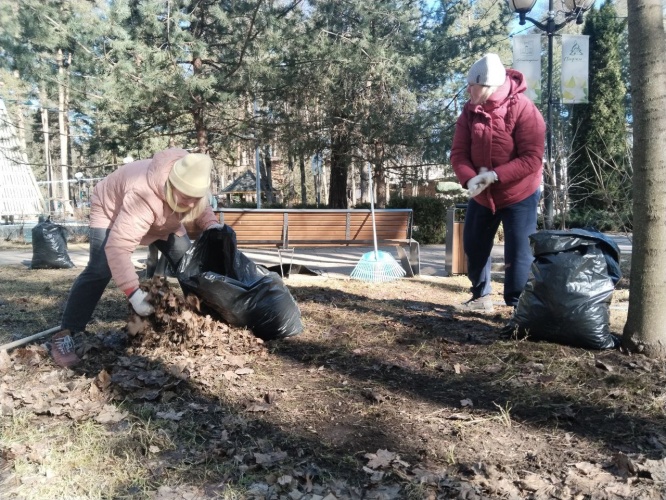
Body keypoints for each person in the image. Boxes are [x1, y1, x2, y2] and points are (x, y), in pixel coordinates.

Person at [50, 148, 222, 367]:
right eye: (186, 197)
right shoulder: (143, 194)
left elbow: (201, 205)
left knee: (188, 262)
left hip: (164, 220)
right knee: (100, 269)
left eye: (195, 198)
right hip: (111, 210)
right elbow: (118, 248)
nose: (190, 204)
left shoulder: (192, 178)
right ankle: (67, 333)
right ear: (172, 185)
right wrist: (134, 293)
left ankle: (198, 317)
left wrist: (213, 226)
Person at [450, 53, 546, 313]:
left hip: (519, 193)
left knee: (519, 253)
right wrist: (470, 178)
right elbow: (458, 153)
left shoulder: (524, 108)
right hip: (482, 194)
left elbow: (532, 159)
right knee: (473, 243)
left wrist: (494, 175)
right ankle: (480, 297)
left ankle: (517, 306)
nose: (468, 89)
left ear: (488, 86)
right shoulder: (469, 112)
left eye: (473, 85)